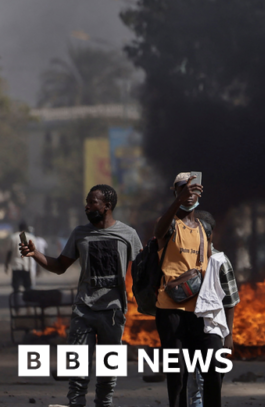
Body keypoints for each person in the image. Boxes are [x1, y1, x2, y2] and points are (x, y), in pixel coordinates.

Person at [19, 184, 142, 407]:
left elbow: (143, 270)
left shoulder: (128, 234)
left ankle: (104, 403)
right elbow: (59, 266)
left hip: (113, 313)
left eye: (92, 202)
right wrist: (34, 253)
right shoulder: (80, 233)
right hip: (84, 310)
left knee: (108, 369)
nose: (87, 206)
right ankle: (76, 403)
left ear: (107, 206)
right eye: (86, 202)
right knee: (76, 367)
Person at [153, 173, 225, 407]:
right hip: (171, 311)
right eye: (182, 189)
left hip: (201, 312)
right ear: (175, 192)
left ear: (199, 193)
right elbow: (158, 232)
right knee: (178, 375)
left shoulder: (205, 228)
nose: (188, 194)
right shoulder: (170, 224)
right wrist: (177, 202)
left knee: (214, 366)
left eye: (192, 189)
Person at [187, 210, 239, 407]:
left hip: (212, 329)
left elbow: (231, 301)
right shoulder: (182, 259)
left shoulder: (219, 260)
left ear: (210, 234)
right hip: (187, 326)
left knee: (209, 377)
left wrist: (229, 335)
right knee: (193, 381)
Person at [6, 221, 35, 294]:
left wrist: (7, 263)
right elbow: (33, 253)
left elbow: (9, 252)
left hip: (16, 265)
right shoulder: (30, 237)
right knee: (27, 287)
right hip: (26, 265)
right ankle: (28, 304)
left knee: (16, 287)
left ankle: (16, 304)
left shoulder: (14, 237)